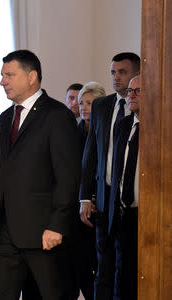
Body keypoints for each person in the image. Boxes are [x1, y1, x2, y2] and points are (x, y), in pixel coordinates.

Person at [0, 49, 81, 300]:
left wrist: (56, 226)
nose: (2, 81)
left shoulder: (58, 115)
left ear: (31, 76)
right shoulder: (5, 118)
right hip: (5, 234)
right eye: (2, 75)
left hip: (44, 235)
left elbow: (68, 176)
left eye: (9, 75)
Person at [79, 52, 140, 300]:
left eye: (122, 72)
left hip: (132, 201)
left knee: (126, 268)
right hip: (104, 198)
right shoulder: (102, 106)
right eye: (113, 72)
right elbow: (90, 153)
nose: (116, 78)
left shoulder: (146, 108)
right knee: (103, 266)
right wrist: (85, 196)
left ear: (136, 73)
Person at [71, 82, 106, 299]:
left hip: (99, 206)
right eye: (81, 103)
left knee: (98, 264)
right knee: (79, 265)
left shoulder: (106, 131)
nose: (83, 107)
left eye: (90, 104)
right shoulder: (72, 132)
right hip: (75, 207)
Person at [107, 75, 141, 299]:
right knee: (122, 276)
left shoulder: (162, 128)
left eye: (137, 91)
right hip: (123, 213)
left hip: (149, 215)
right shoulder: (124, 124)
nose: (131, 95)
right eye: (129, 91)